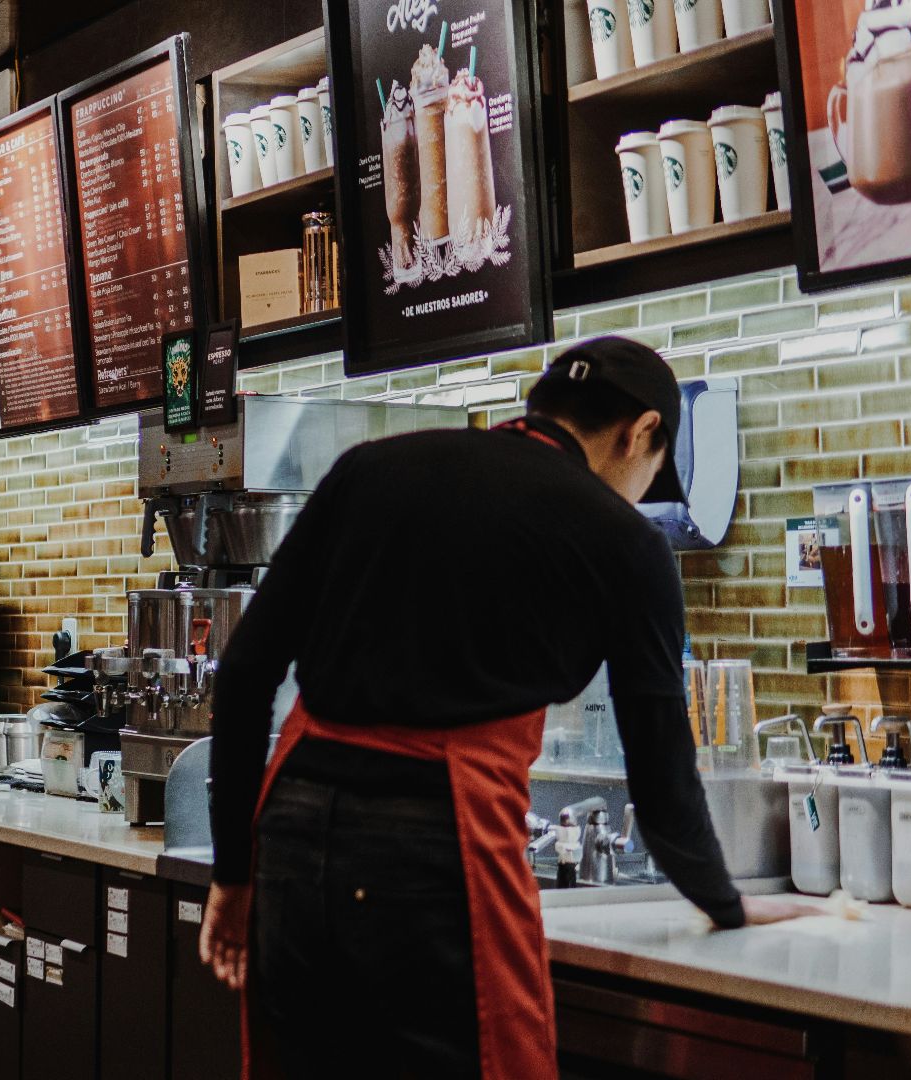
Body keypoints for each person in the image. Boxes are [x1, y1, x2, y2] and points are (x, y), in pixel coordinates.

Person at [198, 336, 814, 1078]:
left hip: (292, 830)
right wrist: (725, 903)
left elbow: (242, 675)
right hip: (434, 842)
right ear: (642, 432)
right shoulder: (626, 541)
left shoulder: (370, 470)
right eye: (653, 472)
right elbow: (662, 776)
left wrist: (233, 876)